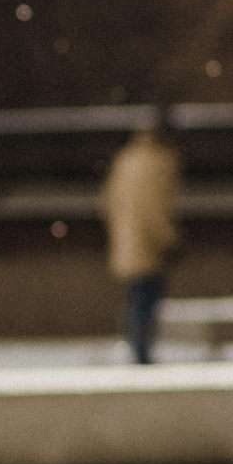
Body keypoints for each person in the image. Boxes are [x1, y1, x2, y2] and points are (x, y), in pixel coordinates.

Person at [100, 110, 182, 364]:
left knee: (136, 298)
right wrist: (168, 240)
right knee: (146, 299)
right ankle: (141, 352)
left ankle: (136, 348)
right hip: (147, 244)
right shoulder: (158, 162)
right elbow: (155, 209)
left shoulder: (127, 159)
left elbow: (109, 201)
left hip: (128, 240)